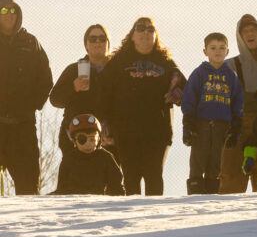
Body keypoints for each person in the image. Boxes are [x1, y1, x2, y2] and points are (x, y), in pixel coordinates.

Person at [101, 17, 184, 195]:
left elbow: (186, 90)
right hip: (126, 131)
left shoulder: (165, 61)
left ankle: (154, 214)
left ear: (156, 35)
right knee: (131, 177)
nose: (146, 32)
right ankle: (133, 214)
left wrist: (178, 94)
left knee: (154, 176)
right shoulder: (119, 61)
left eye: (150, 29)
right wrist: (104, 121)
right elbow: (103, 93)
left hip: (158, 131)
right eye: (140, 28)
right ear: (132, 35)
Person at [0, 0, 53, 195]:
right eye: (4, 10)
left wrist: (32, 104)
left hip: (22, 128)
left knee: (28, 188)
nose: (9, 14)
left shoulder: (30, 42)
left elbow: (45, 79)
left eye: (13, 10)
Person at [181, 32, 244, 194]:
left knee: (216, 162)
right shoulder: (199, 73)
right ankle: (195, 193)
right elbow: (189, 98)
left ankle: (211, 195)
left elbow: (238, 102)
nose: (217, 51)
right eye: (213, 48)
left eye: (222, 48)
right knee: (198, 160)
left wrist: (235, 128)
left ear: (227, 52)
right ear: (205, 51)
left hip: (222, 126)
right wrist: (188, 125)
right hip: (201, 125)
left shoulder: (231, 76)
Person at [220, 14, 257, 192]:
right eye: (245, 31)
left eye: (253, 30)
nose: (250, 34)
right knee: (230, 184)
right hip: (236, 129)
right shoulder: (229, 66)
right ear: (240, 37)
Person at [49, 24, 114, 156]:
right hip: (75, 138)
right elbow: (55, 99)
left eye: (102, 39)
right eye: (93, 39)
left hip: (109, 140)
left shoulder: (117, 70)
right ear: (86, 45)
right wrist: (73, 88)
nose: (98, 42)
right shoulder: (74, 70)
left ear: (108, 43)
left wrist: (116, 133)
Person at [53, 114, 124, 196]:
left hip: (98, 201)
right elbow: (62, 188)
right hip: (73, 201)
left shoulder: (105, 158)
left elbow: (116, 187)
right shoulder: (69, 159)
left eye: (92, 139)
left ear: (99, 139)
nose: (88, 144)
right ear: (74, 141)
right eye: (82, 139)